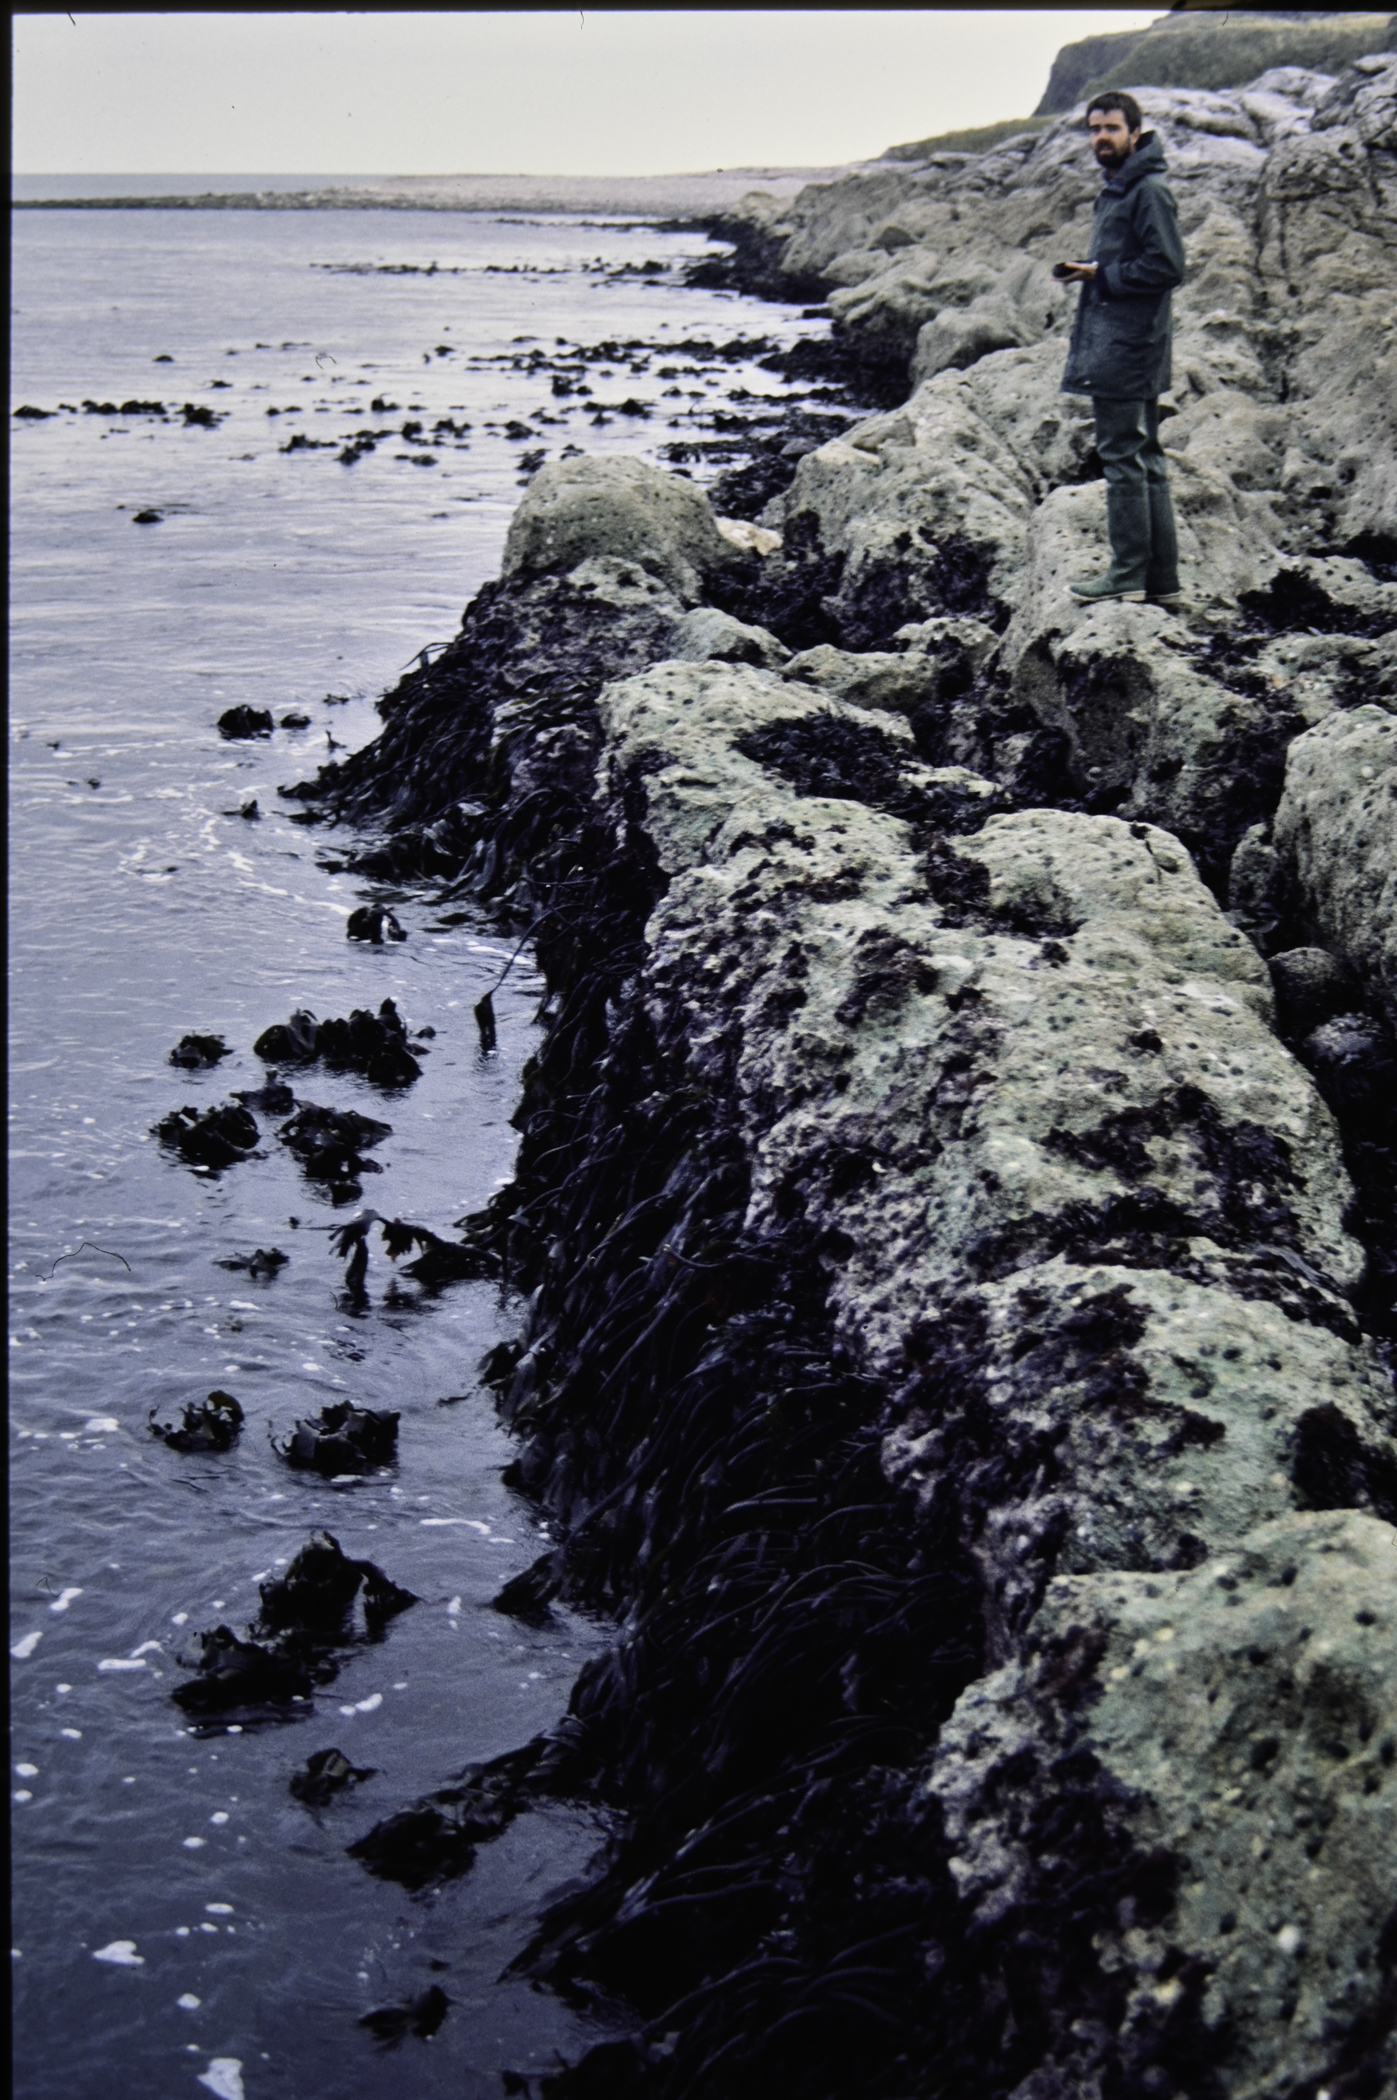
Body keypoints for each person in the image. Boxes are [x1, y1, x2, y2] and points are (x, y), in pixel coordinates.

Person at [1059, 91, 1186, 606]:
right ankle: (1162, 581)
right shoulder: (1124, 187)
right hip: (1134, 340)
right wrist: (1091, 271)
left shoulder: (1147, 190)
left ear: (1135, 133)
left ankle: (1127, 572)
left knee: (1121, 456)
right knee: (1145, 455)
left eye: (1110, 128)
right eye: (1093, 129)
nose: (1101, 138)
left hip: (1126, 346)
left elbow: (1168, 267)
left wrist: (1102, 275)